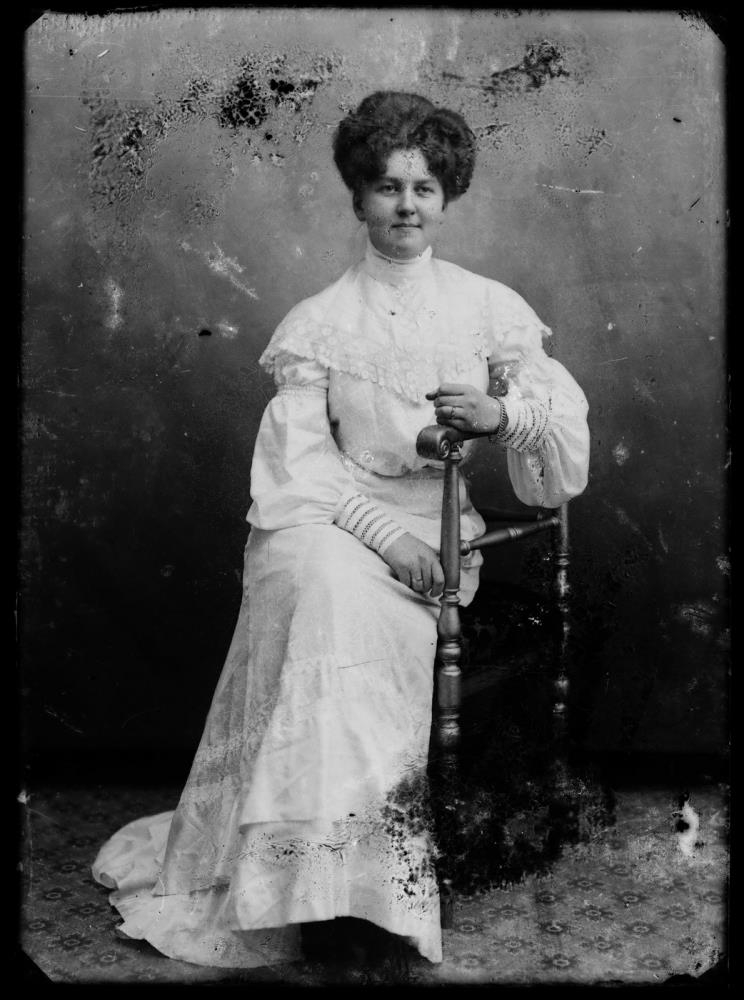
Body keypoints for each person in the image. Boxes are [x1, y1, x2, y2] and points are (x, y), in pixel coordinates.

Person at [92, 90, 590, 972]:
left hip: (437, 529)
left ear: (447, 197)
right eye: (388, 186)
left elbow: (559, 424)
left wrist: (503, 414)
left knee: (341, 611)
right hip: (326, 520)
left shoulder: (487, 307)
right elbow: (297, 470)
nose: (407, 205)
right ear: (359, 196)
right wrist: (382, 537)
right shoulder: (319, 322)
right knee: (317, 581)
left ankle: (361, 897)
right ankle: (316, 897)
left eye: (425, 188)